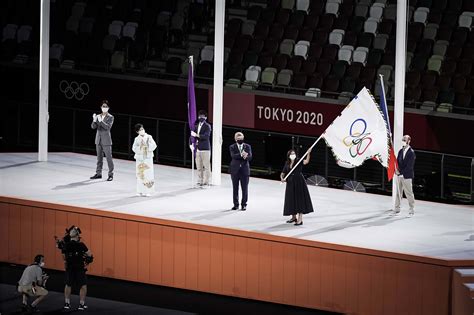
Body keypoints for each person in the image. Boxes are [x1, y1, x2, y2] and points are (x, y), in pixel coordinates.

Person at [62, 226, 93, 311]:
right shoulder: (81, 245)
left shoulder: (66, 245)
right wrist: (87, 261)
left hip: (71, 267)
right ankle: (81, 304)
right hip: (79, 268)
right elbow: (90, 255)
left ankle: (67, 303)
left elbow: (64, 257)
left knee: (68, 284)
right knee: (82, 285)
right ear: (77, 236)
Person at [280, 149, 314, 226]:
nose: (293, 155)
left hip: (299, 181)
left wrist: (308, 153)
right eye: (291, 154)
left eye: (294, 153)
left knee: (299, 199)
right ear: (288, 156)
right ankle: (293, 217)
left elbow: (306, 161)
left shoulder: (298, 160)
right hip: (290, 182)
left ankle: (300, 219)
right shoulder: (287, 163)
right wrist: (282, 178)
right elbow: (283, 172)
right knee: (291, 199)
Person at [90, 100, 114, 181]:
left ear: (108, 108)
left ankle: (111, 174)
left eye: (106, 106)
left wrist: (101, 121)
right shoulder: (98, 116)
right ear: (101, 107)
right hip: (98, 140)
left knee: (108, 158)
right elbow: (93, 127)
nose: (104, 108)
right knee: (99, 158)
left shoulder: (110, 117)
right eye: (103, 106)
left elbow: (108, 127)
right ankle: (98, 173)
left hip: (106, 140)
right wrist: (94, 120)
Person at [132, 123, 157, 196]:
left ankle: (148, 191)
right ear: (137, 132)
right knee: (140, 174)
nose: (142, 131)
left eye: (142, 129)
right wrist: (140, 148)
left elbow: (154, 145)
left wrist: (148, 146)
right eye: (140, 130)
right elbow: (134, 148)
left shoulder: (149, 137)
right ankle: (140, 190)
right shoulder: (136, 139)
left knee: (148, 174)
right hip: (140, 158)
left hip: (148, 158)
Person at [394, 134, 416, 216]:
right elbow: (397, 162)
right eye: (403, 139)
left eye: (405, 140)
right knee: (398, 192)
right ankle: (397, 208)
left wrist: (401, 173)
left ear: (409, 141)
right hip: (399, 175)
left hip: (407, 176)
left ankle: (412, 208)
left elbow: (409, 166)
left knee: (409, 193)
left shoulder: (411, 153)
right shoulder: (400, 151)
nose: (403, 141)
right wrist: (396, 170)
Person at [229, 132, 252, 210]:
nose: (240, 140)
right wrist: (242, 154)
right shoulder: (232, 147)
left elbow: (250, 157)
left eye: (241, 139)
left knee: (244, 188)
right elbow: (233, 156)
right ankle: (236, 204)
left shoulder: (247, 146)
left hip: (245, 170)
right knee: (235, 188)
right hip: (235, 170)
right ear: (235, 139)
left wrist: (246, 156)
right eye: (238, 139)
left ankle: (244, 204)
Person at [191, 110, 211, 187]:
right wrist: (191, 144)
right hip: (198, 149)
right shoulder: (196, 126)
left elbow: (206, 136)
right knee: (199, 166)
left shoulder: (207, 126)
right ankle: (200, 180)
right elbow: (192, 136)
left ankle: (206, 181)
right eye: (200, 116)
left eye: (203, 116)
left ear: (205, 117)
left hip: (205, 149)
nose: (201, 117)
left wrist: (196, 135)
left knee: (206, 166)